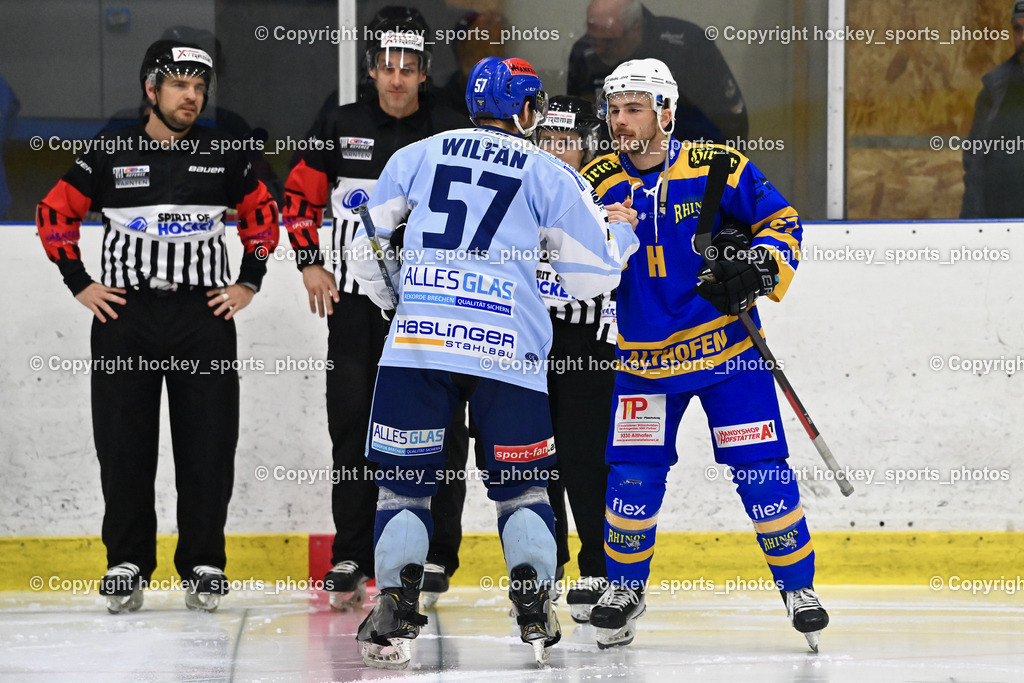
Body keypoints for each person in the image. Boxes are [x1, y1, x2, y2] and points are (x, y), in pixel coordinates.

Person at [348, 56, 639, 669]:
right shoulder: (548, 171)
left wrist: (400, 301)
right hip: (508, 349)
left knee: (404, 488)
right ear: (527, 110)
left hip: (419, 345)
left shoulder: (418, 154)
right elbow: (590, 278)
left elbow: (364, 244)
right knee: (524, 488)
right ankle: (533, 602)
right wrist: (623, 236)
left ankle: (396, 611)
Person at [580, 58, 829, 651]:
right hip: (644, 364)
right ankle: (623, 589)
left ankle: (799, 588)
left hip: (730, 356)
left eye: (634, 108)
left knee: (763, 476)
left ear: (664, 112)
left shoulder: (720, 166)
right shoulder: (593, 183)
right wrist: (597, 236)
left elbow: (781, 220)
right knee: (632, 484)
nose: (620, 121)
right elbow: (570, 264)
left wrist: (756, 266)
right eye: (614, 109)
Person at [35, 40, 279, 613]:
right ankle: (126, 563)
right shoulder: (112, 151)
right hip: (126, 318)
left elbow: (265, 216)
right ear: (151, 90)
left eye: (199, 88)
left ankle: (203, 564)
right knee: (123, 447)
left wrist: (248, 281)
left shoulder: (225, 154)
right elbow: (53, 213)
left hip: (203, 318)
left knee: (209, 447)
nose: (191, 97)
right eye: (179, 85)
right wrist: (79, 282)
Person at [282, 7, 471, 611]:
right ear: (370, 70)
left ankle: (438, 550)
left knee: (442, 425)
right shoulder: (339, 126)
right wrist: (310, 260)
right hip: (357, 308)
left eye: (408, 67)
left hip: (432, 307)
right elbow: (295, 199)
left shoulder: (450, 127)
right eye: (386, 66)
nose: (396, 78)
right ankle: (352, 554)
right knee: (352, 424)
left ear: (423, 72)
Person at [531, 95, 616, 623]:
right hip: (529, 344)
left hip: (588, 346)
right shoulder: (521, 189)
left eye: (568, 142)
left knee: (586, 460)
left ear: (588, 146)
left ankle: (598, 569)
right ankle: (546, 566)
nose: (557, 151)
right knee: (536, 461)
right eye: (548, 140)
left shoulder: (607, 192)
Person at [567, 0, 747, 144]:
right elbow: (577, 123)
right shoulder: (583, 53)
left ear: (635, 29)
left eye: (608, 42)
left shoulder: (689, 46)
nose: (598, 49)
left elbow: (732, 116)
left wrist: (722, 175)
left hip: (690, 171)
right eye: (593, 39)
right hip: (613, 172)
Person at [961, 1, 1024, 217]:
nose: (1023, 38)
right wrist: (971, 228)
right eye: (1018, 29)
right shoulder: (995, 89)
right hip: (1001, 232)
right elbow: (975, 165)